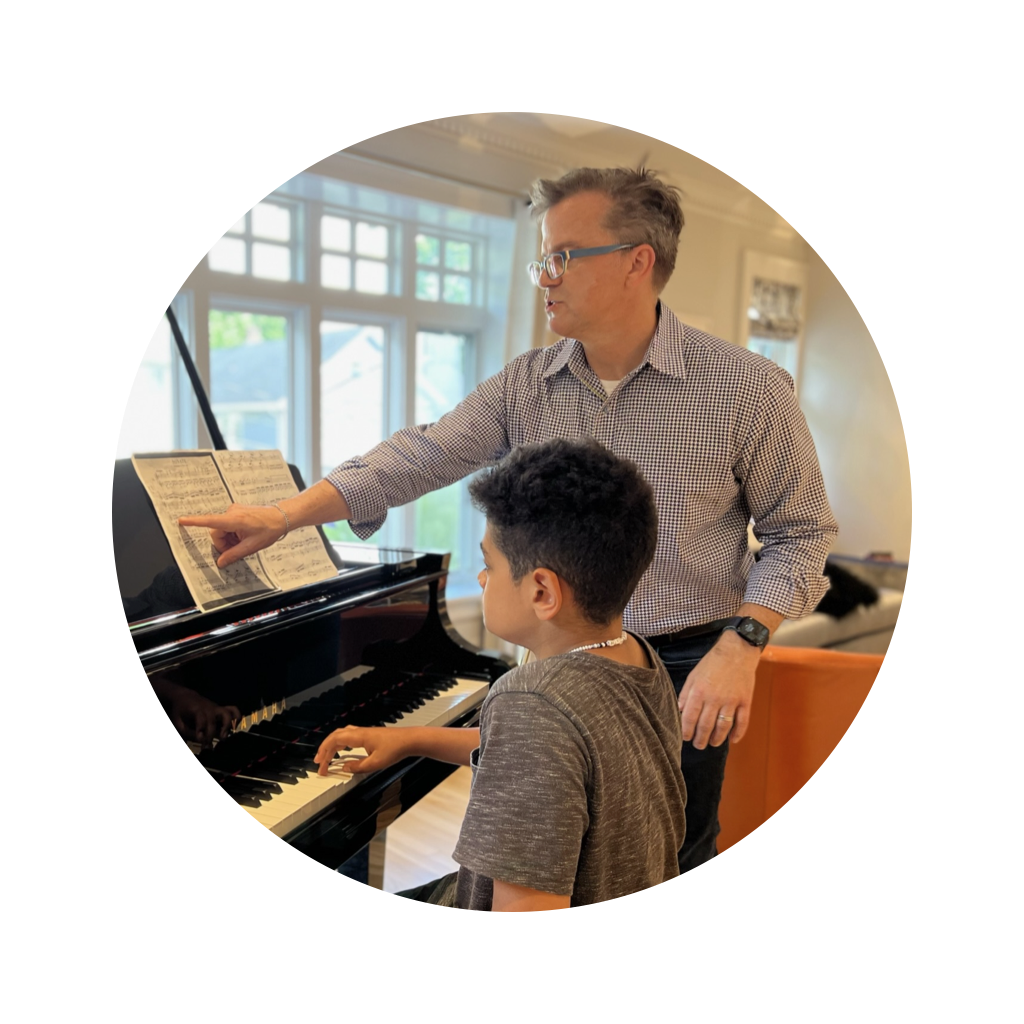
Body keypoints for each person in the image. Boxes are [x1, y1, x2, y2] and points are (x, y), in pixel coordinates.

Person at [179, 165, 838, 876]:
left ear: (637, 263)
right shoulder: (527, 383)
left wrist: (742, 646)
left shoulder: (746, 390)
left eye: (563, 256)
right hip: (558, 657)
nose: (544, 277)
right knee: (549, 850)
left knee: (662, 857)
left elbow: (802, 535)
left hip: (688, 664)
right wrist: (285, 514)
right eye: (542, 258)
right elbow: (421, 456)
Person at [315, 437, 686, 911]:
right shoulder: (636, 656)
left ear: (542, 593)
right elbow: (555, 754)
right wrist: (409, 739)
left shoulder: (531, 702)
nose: (481, 578)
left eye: (489, 564)